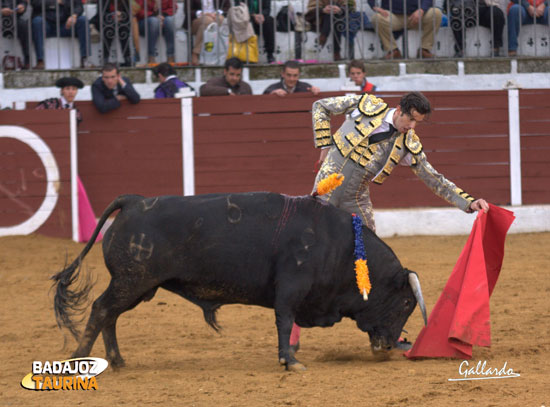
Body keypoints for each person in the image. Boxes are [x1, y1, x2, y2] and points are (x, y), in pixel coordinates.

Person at [289, 91, 490, 351]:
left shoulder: (407, 143)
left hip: (355, 200)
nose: (412, 127)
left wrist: (468, 201)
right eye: (411, 120)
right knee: (304, 261)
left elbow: (433, 177)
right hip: (322, 197)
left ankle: (385, 333)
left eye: (417, 123)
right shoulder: (366, 105)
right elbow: (320, 106)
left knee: (377, 266)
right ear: (400, 110)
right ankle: (291, 336)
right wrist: (324, 146)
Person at [35, 76, 101, 243]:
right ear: (62, 91)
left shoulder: (77, 113)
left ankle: (83, 231)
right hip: (45, 154)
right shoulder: (49, 104)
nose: (71, 92)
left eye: (73, 89)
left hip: (65, 156)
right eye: (68, 89)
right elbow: (34, 120)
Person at [368, 0, 442, 59]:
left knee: (436, 13)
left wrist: (422, 10)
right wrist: (374, 6)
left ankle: (424, 49)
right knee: (377, 18)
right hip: (394, 16)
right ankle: (393, 50)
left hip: (417, 16)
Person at [31, 0, 91, 69]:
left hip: (66, 25)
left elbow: (79, 6)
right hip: (46, 25)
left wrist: (74, 15)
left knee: (83, 20)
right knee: (37, 21)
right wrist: (54, 2)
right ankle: (40, 60)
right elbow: (35, 3)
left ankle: (85, 59)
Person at [184, 0, 230, 66]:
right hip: (196, 20)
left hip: (215, 17)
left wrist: (216, 13)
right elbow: (187, 10)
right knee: (208, 20)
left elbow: (227, 6)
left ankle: (212, 54)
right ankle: (196, 53)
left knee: (219, 19)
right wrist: (203, 14)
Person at [1, 0, 30, 69]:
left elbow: (23, 2)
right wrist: (1, 11)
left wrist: (22, 7)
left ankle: (27, 59)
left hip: (13, 19)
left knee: (23, 25)